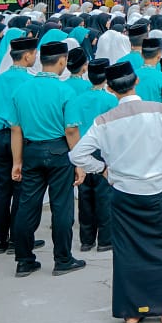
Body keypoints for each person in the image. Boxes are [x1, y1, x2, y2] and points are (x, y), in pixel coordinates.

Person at [68, 60, 162, 323]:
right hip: (154, 189)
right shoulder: (159, 110)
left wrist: (102, 169)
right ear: (136, 81)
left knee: (126, 249)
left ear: (109, 88)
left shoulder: (103, 121)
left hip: (122, 192)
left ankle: (131, 311)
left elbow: (77, 155)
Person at [8, 35, 84, 278]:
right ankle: (62, 259)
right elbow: (71, 130)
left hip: (30, 151)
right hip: (59, 151)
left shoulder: (21, 90)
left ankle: (24, 260)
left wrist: (17, 161)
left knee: (27, 206)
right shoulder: (65, 90)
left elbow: (15, 129)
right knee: (62, 206)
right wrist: (79, 161)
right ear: (62, 61)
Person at [65, 58, 120, 253]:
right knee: (104, 194)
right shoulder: (111, 100)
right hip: (103, 150)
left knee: (85, 195)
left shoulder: (77, 99)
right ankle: (105, 239)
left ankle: (86, 239)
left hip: (82, 148)